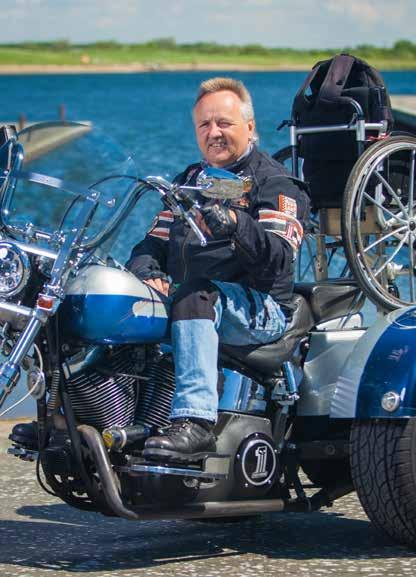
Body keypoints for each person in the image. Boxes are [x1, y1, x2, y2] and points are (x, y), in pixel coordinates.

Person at [127, 77, 309, 461]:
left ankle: (195, 422)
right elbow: (150, 244)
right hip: (196, 298)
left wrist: (237, 224)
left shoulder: (275, 182)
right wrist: (146, 274)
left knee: (196, 295)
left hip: (261, 307)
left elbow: (280, 256)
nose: (214, 133)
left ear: (250, 127)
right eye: (204, 125)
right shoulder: (189, 182)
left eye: (224, 123)